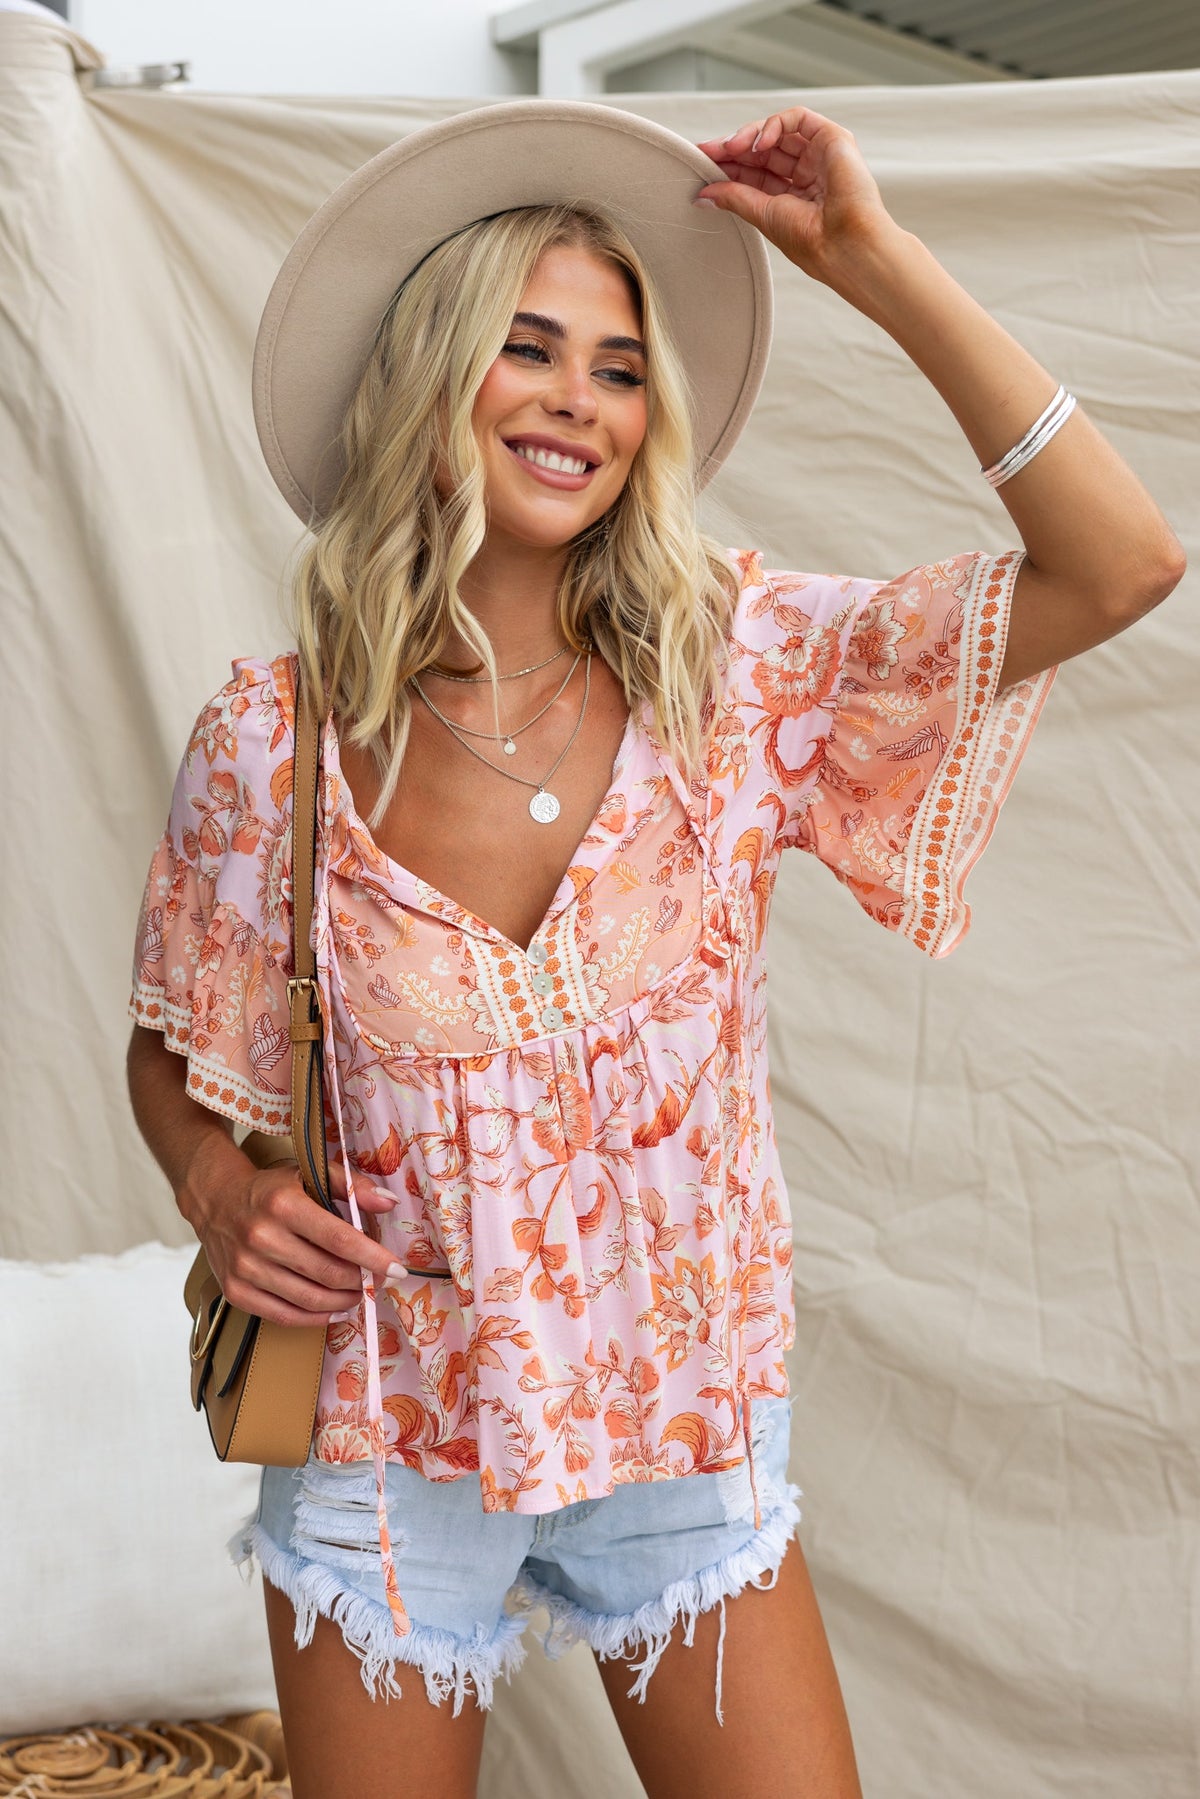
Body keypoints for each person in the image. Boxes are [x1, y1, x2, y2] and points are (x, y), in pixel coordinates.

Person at [125, 99, 1183, 1799]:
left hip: (685, 1427)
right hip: (388, 1445)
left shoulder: (737, 674)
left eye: (620, 368)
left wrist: (874, 262)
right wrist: (217, 1187)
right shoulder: (278, 743)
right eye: (529, 349)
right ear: (436, 381)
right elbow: (175, 1045)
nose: (580, 401)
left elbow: (1123, 559)